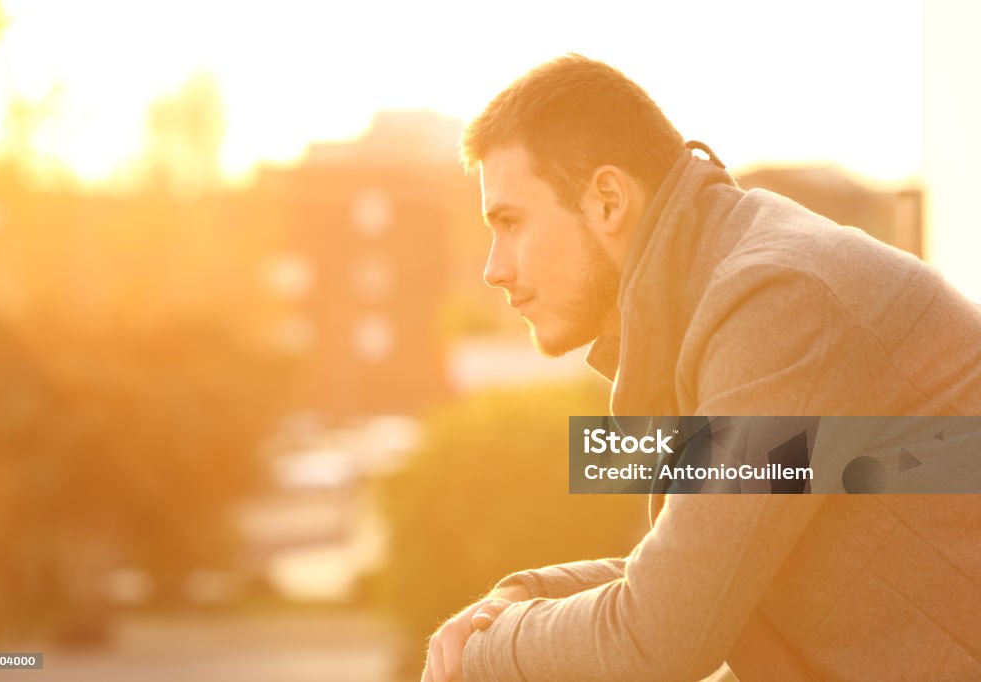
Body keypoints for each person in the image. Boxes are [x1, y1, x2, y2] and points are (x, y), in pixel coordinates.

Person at [420, 54, 981, 681]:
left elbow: (660, 638)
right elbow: (707, 574)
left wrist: (482, 653)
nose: (493, 269)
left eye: (511, 223)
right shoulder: (727, 290)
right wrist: (526, 597)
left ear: (607, 199)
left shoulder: (779, 301)